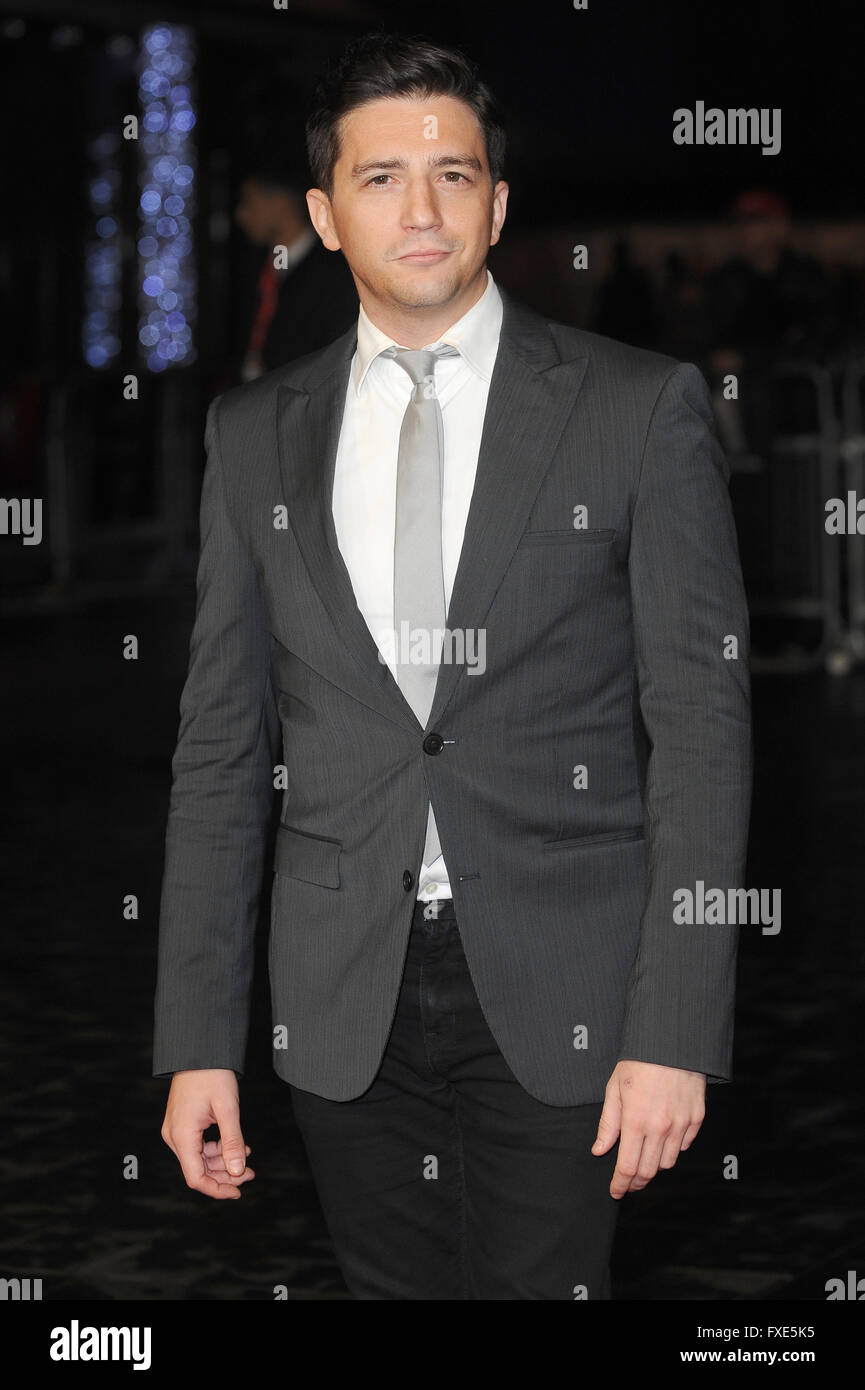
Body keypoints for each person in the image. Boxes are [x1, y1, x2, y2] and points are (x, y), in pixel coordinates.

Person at [154, 32, 753, 1301]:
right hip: (339, 997)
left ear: (497, 200)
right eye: (380, 179)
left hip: (570, 990)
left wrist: (676, 1027)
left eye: (453, 173)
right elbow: (218, 748)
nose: (420, 209)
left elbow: (701, 723)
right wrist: (198, 1040)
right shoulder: (254, 434)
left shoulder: (634, 408)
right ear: (323, 213)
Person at [233, 161, 358, 378]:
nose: (241, 215)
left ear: (280, 205)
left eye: (250, 203)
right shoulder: (259, 268)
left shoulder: (333, 276)